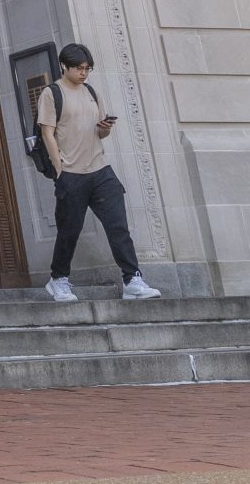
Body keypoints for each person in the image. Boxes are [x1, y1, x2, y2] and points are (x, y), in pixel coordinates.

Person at [36, 43, 161, 302]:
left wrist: (105, 128)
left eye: (87, 68)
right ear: (64, 66)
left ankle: (132, 279)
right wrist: (59, 168)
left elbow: (100, 132)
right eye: (79, 68)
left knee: (118, 227)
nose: (84, 73)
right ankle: (58, 280)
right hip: (71, 172)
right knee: (70, 230)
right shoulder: (52, 93)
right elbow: (47, 132)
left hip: (100, 170)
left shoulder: (91, 91)